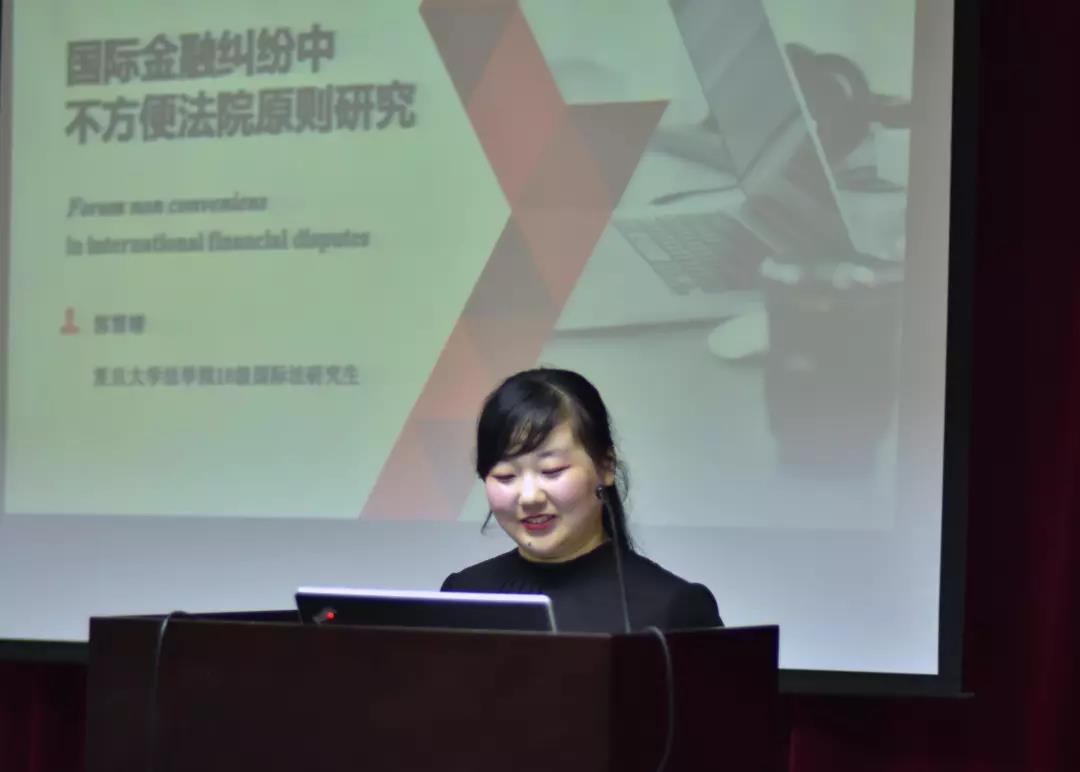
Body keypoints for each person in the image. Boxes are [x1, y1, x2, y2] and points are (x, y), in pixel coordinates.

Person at [441, 367, 722, 633]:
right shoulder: (463, 594)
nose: (529, 497)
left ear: (606, 466)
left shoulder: (674, 608)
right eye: (505, 476)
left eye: (552, 471)